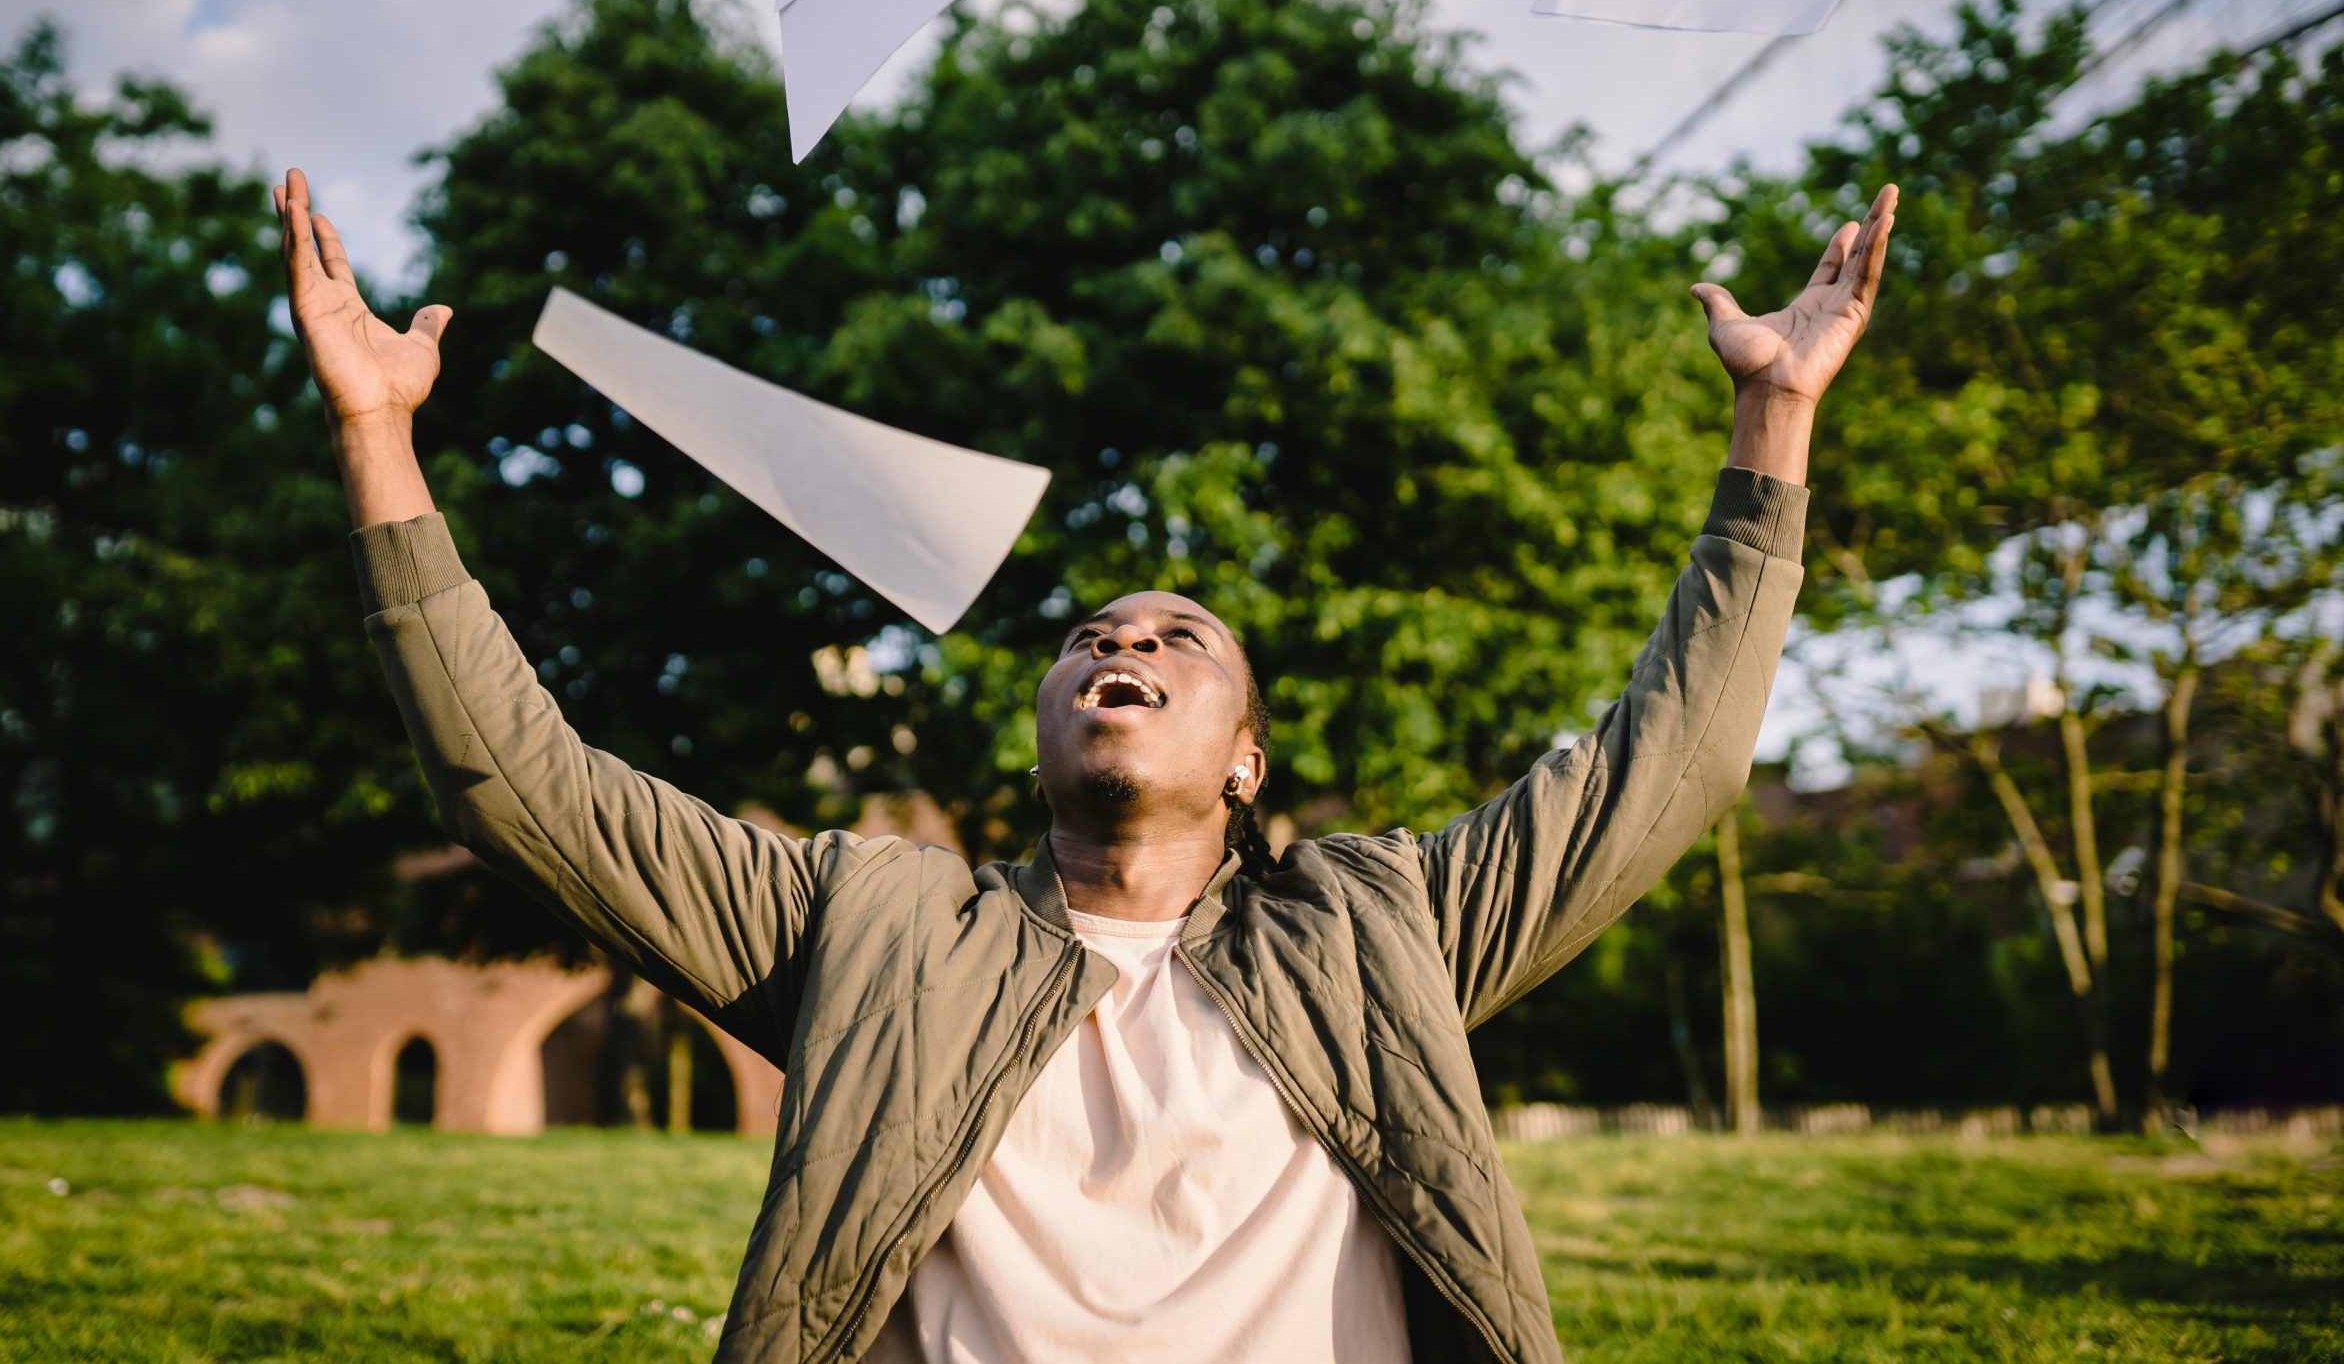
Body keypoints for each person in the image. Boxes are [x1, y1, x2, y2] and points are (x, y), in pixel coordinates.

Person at [276, 167, 1897, 1364]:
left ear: (1247, 762)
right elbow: (517, 782)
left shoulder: (1378, 922)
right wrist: (378, 438)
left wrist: (1774, 427)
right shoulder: (876, 927)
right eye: (1086, 639)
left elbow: (1663, 771)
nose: (1121, 646)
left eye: (1179, 639)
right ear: (1045, 727)